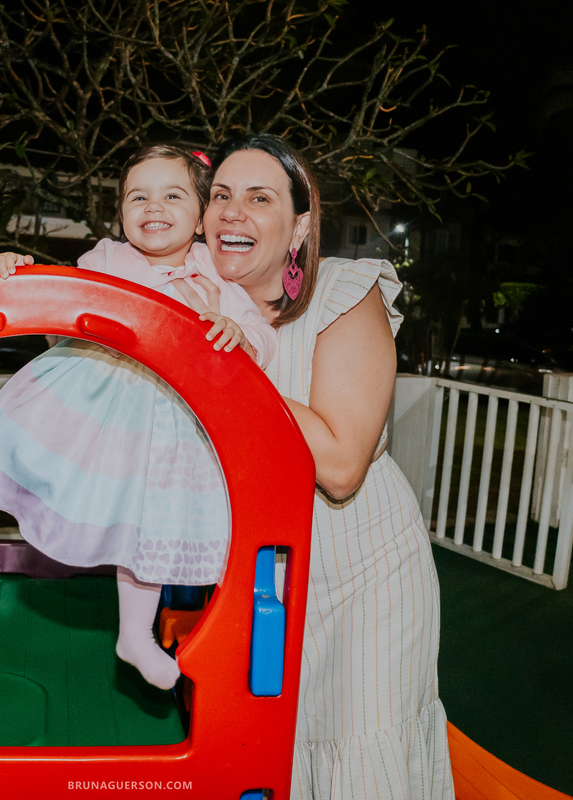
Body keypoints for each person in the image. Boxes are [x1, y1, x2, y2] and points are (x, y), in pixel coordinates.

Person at [0, 144, 277, 690]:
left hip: (162, 422)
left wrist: (237, 333)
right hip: (86, 391)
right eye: (139, 196)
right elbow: (55, 296)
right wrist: (13, 270)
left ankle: (135, 635)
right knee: (8, 459)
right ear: (121, 212)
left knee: (146, 525)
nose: (153, 206)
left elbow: (259, 336)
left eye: (172, 195)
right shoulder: (110, 258)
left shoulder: (215, 277)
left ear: (201, 214)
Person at [202, 134, 452, 798]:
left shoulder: (343, 291)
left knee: (361, 754)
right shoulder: (196, 298)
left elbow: (342, 462)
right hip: (265, 584)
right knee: (281, 758)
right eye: (221, 196)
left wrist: (226, 366)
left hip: (361, 572)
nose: (233, 213)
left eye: (260, 198)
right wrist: (12, 267)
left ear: (300, 225)